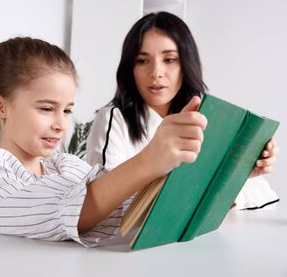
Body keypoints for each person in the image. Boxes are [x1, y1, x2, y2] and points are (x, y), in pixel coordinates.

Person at [0, 36, 207, 247]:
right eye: (46, 108)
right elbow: (65, 209)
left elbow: (124, 208)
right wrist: (149, 160)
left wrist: (213, 172)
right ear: (0, 106)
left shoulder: (66, 166)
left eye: (67, 110)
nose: (61, 123)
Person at [86, 12, 279, 210]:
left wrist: (241, 173)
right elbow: (101, 202)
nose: (156, 73)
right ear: (130, 68)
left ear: (186, 64)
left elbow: (264, 196)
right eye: (143, 61)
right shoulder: (113, 118)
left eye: (169, 59)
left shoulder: (201, 120)